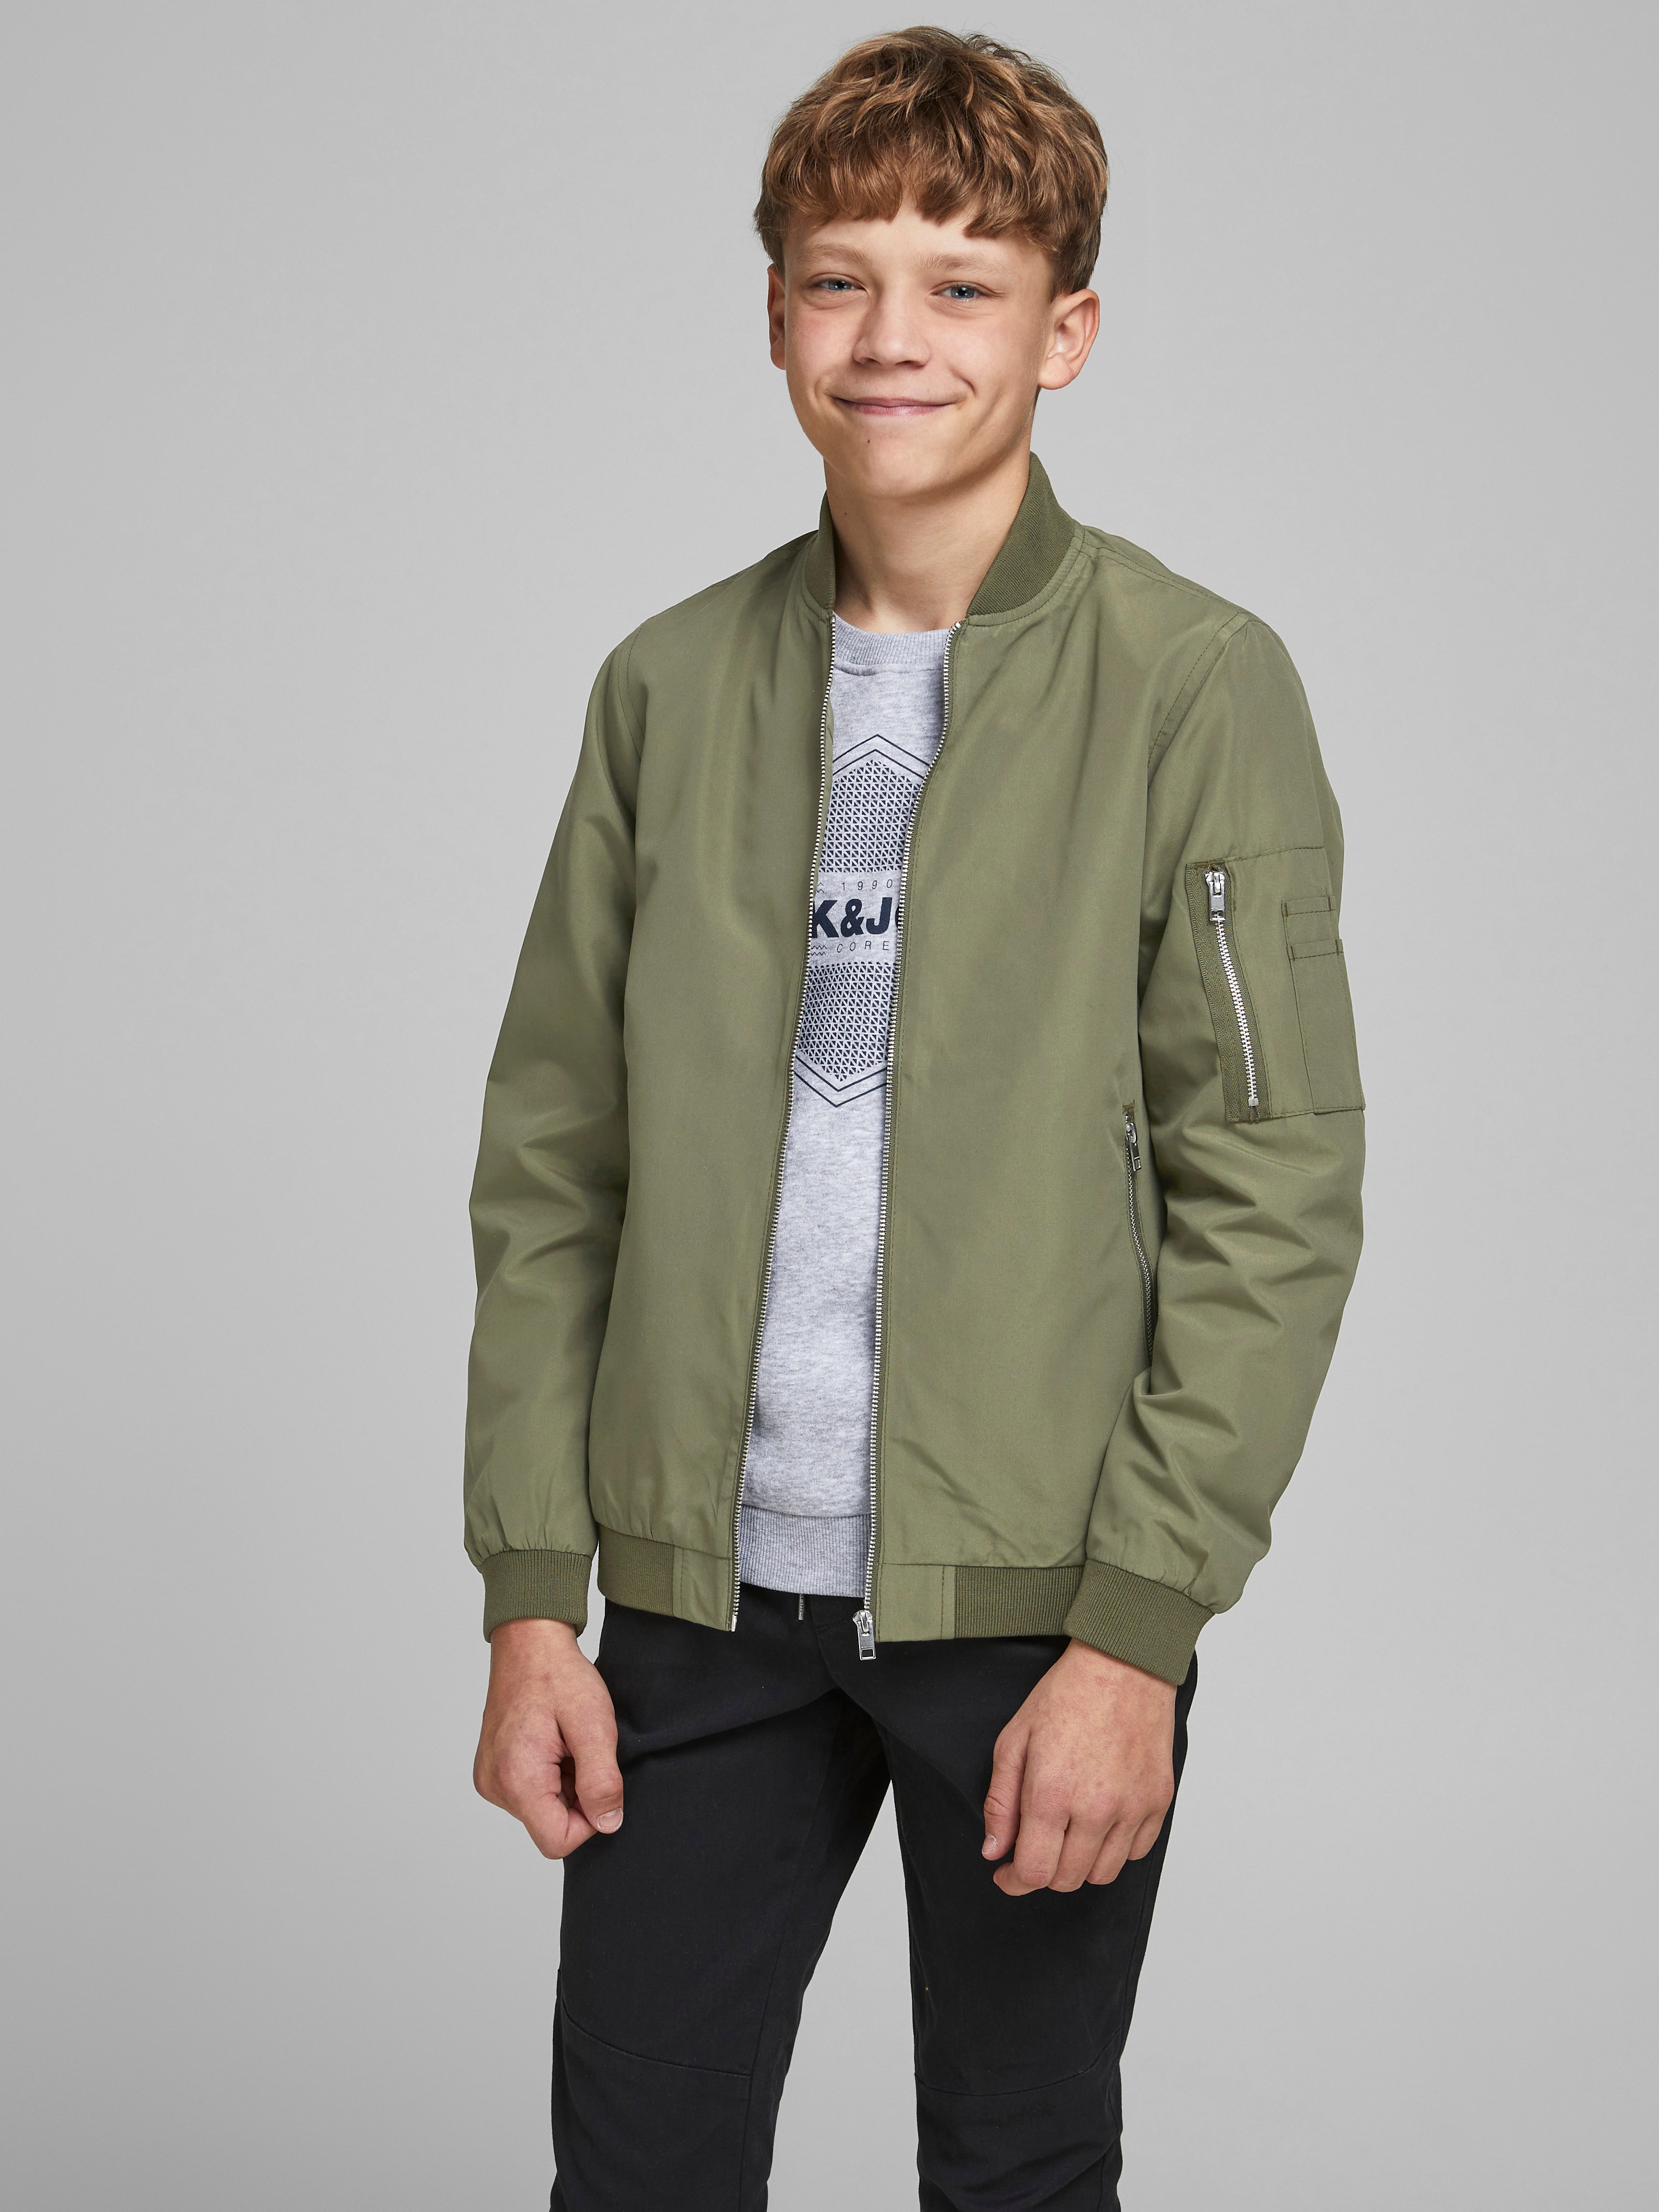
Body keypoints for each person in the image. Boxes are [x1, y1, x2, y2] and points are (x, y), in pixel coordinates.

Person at [465, 26, 1364, 2209]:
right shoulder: (668, 686)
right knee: (637, 2171)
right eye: (840, 277)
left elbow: (1272, 1185)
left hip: (1041, 1611)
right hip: (697, 1605)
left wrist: (1138, 1629)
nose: (894, 335)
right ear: (775, 315)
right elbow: (552, 1165)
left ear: (1067, 331)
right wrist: (530, 1593)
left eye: (963, 284)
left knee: (1019, 2166)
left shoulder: (1191, 682)